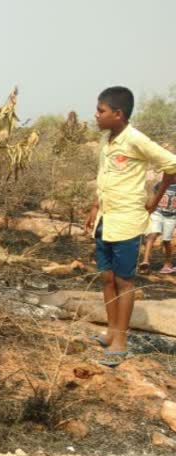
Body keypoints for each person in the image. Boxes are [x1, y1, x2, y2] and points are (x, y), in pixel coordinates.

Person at [84, 86, 176, 367]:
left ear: (118, 113)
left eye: (101, 111)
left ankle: (121, 340)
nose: (96, 115)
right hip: (105, 220)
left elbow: (171, 166)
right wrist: (95, 207)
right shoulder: (107, 140)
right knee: (107, 277)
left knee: (124, 281)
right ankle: (111, 331)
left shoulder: (136, 139)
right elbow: (105, 177)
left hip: (126, 221)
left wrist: (155, 200)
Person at [139, 180, 176, 274]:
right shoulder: (159, 184)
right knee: (152, 235)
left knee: (166, 240)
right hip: (157, 214)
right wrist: (148, 212)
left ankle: (168, 264)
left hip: (171, 217)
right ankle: (145, 261)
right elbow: (153, 199)